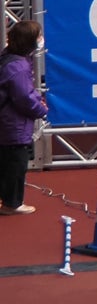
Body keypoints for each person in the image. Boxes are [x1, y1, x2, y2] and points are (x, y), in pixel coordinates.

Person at [0, 20, 45, 215]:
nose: (41, 40)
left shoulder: (7, 58)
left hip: (7, 123)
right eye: (38, 36)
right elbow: (24, 97)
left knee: (7, 163)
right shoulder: (18, 67)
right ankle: (12, 203)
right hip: (13, 125)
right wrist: (41, 109)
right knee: (16, 165)